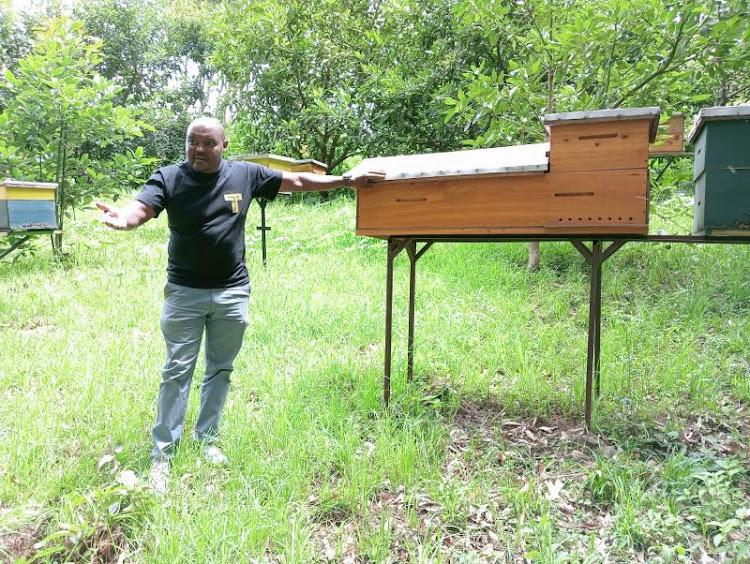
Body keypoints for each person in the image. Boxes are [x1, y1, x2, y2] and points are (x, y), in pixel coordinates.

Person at [96, 117, 385, 492]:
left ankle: (207, 439)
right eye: (192, 142)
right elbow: (142, 207)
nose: (199, 149)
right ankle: (162, 456)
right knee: (177, 372)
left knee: (220, 369)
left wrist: (346, 180)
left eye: (208, 143)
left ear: (224, 144)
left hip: (233, 292)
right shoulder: (169, 178)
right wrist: (125, 219)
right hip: (185, 293)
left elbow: (297, 181)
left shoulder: (245, 174)